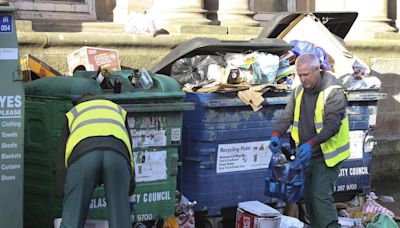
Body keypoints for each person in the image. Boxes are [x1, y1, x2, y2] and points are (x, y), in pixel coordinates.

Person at [269, 53, 350, 228]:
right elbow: (286, 116)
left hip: (327, 155)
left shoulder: (333, 91)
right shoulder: (298, 91)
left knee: (320, 197)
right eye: (299, 75)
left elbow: (332, 126)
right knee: (308, 197)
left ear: (317, 70)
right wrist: (276, 134)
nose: (303, 79)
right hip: (306, 154)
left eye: (306, 74)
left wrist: (310, 144)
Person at [59, 94, 135, 228]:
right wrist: (130, 189)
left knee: (72, 217)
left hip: (84, 156)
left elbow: (61, 160)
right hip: (117, 154)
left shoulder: (74, 112)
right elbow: (130, 153)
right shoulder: (116, 110)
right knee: (120, 218)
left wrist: (64, 192)